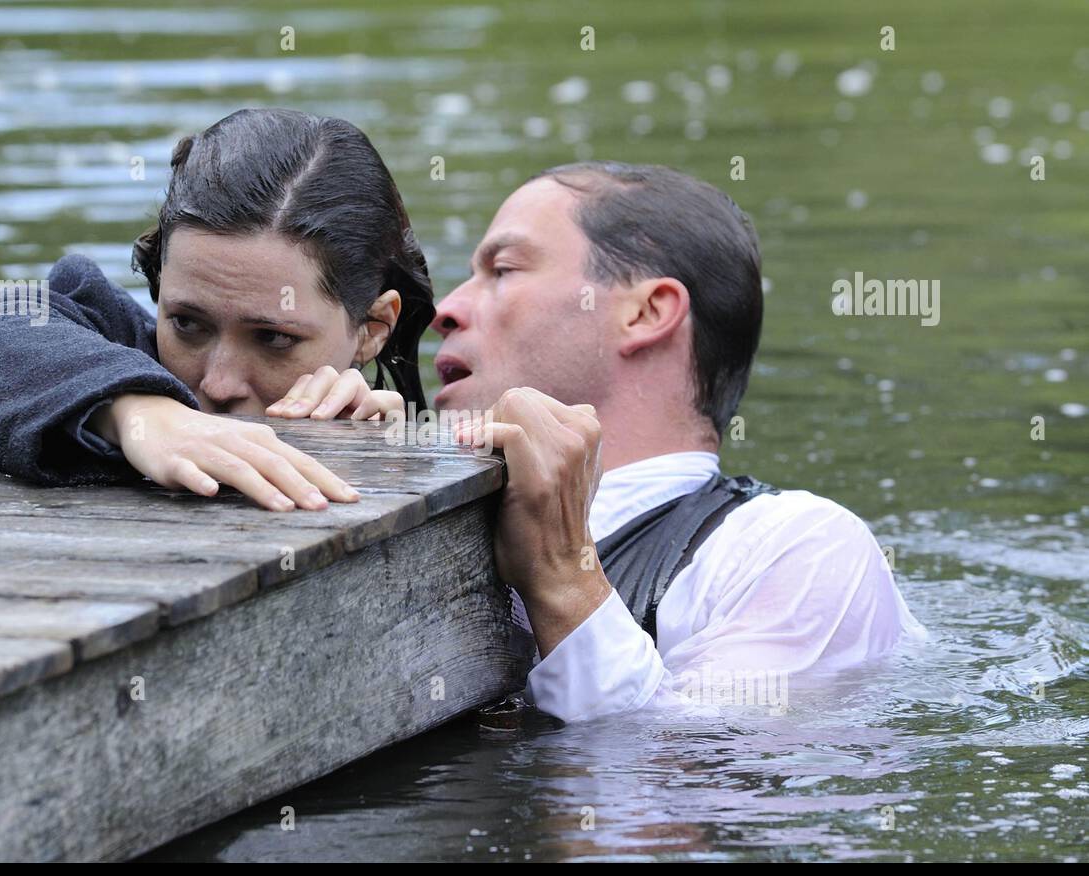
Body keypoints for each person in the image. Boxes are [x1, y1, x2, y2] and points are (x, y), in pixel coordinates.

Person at [295, 162, 925, 723]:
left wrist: (564, 578)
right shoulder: (415, 501)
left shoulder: (796, 549)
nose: (443, 312)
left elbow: (682, 797)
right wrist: (347, 487)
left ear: (648, 312)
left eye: (504, 270)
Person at [0, 107, 429, 512]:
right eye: (188, 324)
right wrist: (136, 412)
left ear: (373, 329)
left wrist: (369, 456)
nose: (218, 385)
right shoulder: (112, 341)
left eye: (273, 338)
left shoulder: (407, 440)